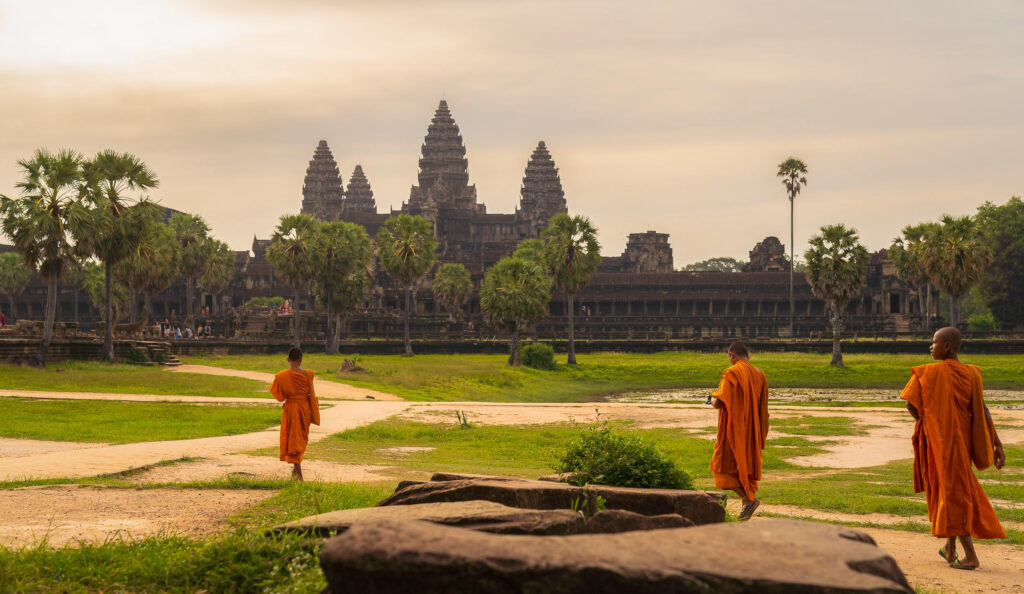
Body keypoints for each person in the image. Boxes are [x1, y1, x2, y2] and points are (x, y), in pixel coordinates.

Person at [900, 327, 1005, 570]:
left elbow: (911, 405)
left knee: (953, 493)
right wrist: (997, 443)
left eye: (934, 342)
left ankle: (971, 556)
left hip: (942, 443)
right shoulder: (971, 374)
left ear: (947, 346)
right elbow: (983, 411)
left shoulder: (929, 373)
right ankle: (950, 547)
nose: (930, 346)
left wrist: (931, 423)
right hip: (961, 445)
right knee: (954, 490)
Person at [709, 341, 769, 521]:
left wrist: (711, 399)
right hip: (751, 431)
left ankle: (747, 499)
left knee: (720, 467)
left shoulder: (731, 373)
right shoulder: (760, 375)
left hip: (733, 431)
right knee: (745, 467)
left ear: (732, 355)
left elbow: (719, 402)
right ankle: (746, 504)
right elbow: (762, 406)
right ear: (747, 356)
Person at [270, 347, 321, 480]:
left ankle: (298, 473)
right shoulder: (309, 374)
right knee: (299, 438)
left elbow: (279, 397)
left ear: (288, 360)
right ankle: (296, 472)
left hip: (291, 408)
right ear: (301, 360)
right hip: (304, 409)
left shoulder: (282, 376)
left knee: (293, 439)